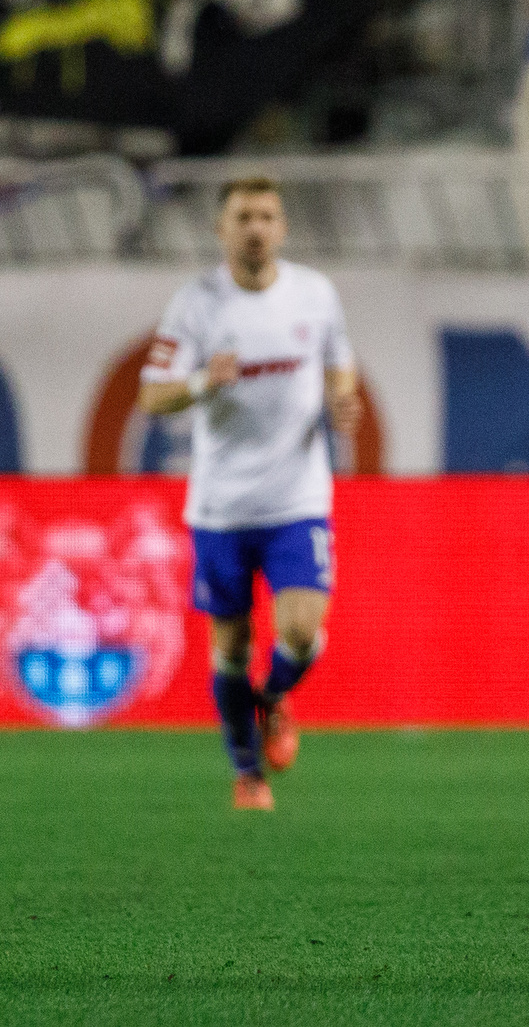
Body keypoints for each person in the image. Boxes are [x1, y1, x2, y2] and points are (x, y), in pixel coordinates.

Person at [138, 178, 360, 811]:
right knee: (231, 645)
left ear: (282, 227)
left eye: (266, 216)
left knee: (301, 632)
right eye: (243, 217)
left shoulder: (314, 295)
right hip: (221, 507)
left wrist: (340, 398)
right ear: (222, 230)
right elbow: (152, 396)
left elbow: (338, 361)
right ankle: (247, 772)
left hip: (296, 500)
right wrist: (204, 381)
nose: (255, 228)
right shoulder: (196, 305)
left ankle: (271, 701)